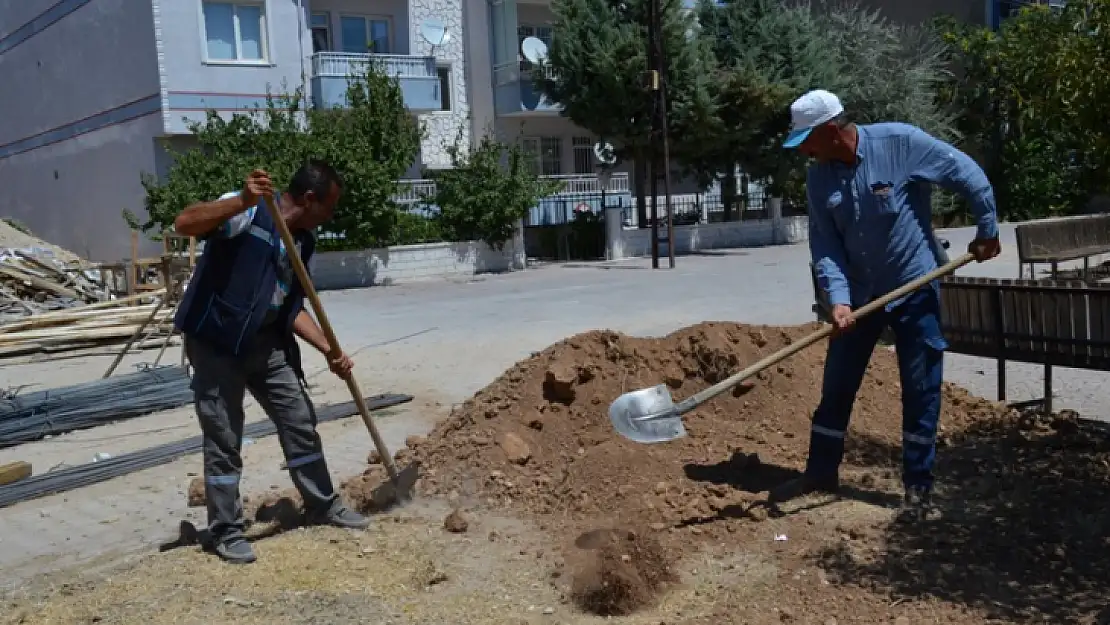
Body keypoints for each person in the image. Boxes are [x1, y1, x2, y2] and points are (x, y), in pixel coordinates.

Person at [772, 89, 1002, 521]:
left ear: (828, 131)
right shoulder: (819, 176)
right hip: (859, 298)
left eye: (806, 140)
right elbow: (825, 245)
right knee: (837, 386)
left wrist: (987, 227)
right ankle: (820, 475)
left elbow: (966, 173)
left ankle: (919, 490)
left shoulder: (900, 143)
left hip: (914, 287)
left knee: (920, 389)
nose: (803, 150)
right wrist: (837, 302)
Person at [173, 160, 370, 564]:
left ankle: (321, 504)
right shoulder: (248, 212)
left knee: (299, 419)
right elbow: (185, 222)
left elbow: (290, 306)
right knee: (225, 437)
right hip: (217, 343)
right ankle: (225, 530)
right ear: (310, 199)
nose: (330, 216)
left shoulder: (300, 242)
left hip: (265, 343)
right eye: (328, 207)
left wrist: (329, 349)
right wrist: (243, 199)